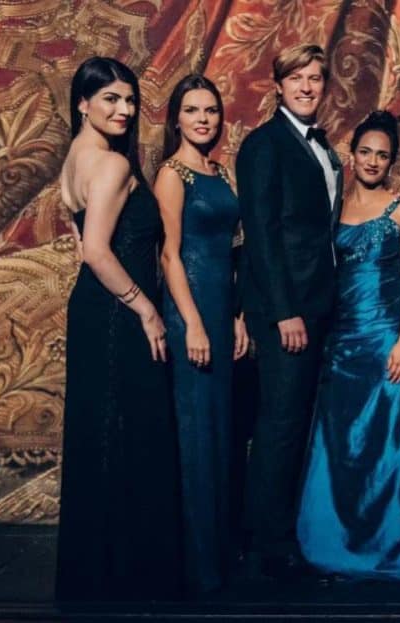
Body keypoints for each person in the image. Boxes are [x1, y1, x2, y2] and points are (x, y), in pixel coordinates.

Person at [296, 111, 400, 578]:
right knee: (344, 445)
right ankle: (336, 540)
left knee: (387, 444)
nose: (373, 161)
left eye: (382, 155)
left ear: (390, 161)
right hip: (342, 342)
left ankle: (392, 541)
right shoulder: (333, 209)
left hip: (387, 339)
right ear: (352, 155)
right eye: (366, 152)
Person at [56, 56, 182, 601]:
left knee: (104, 432)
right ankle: (131, 578)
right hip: (117, 312)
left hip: (94, 309)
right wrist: (147, 309)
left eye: (130, 99)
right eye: (111, 98)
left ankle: (99, 575)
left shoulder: (75, 159)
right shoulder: (109, 164)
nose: (125, 109)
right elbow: (96, 252)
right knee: (130, 432)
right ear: (83, 103)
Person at [236, 44, 343, 580]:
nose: (306, 87)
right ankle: (266, 544)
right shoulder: (263, 145)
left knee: (299, 421)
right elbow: (262, 235)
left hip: (320, 304)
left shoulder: (323, 147)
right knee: (279, 424)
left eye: (315, 78)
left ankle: (288, 531)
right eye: (296, 78)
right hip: (288, 311)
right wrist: (283, 312)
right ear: (278, 85)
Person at [156, 74, 247, 594]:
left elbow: (231, 253)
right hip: (188, 310)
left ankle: (219, 558)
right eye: (192, 110)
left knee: (220, 433)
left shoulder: (219, 171)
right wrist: (191, 322)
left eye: (211, 110)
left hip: (220, 310)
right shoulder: (173, 175)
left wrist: (235, 315)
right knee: (196, 435)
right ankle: (199, 568)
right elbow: (170, 255)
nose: (203, 119)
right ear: (176, 118)